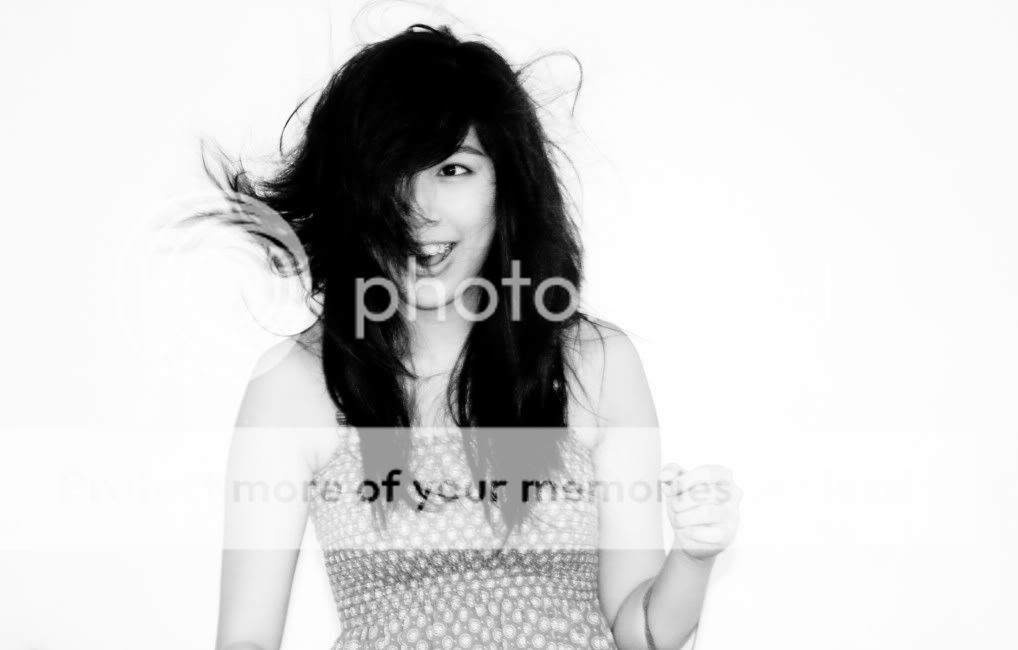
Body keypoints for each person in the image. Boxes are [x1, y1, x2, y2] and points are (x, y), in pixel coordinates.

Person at [209, 23, 742, 650]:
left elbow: (641, 634)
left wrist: (695, 555)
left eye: (453, 169)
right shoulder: (294, 381)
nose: (420, 208)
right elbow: (245, 640)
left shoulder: (595, 362)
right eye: (392, 173)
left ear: (506, 183)